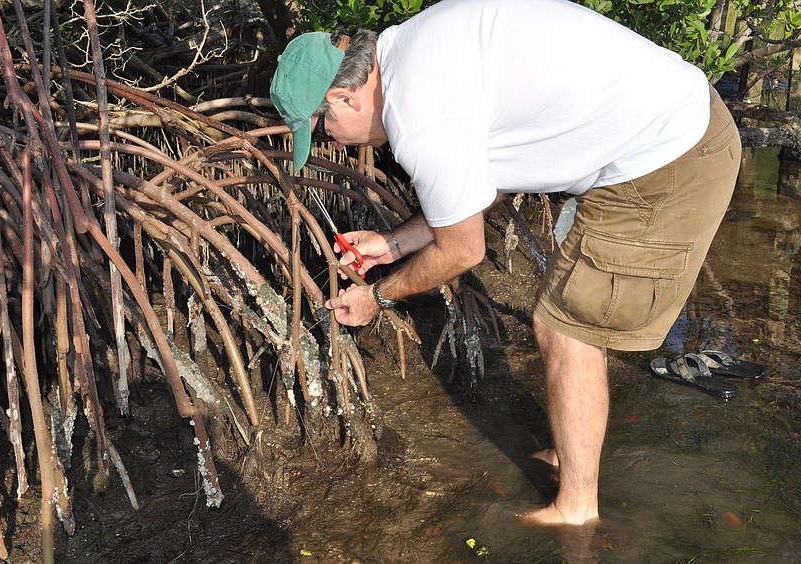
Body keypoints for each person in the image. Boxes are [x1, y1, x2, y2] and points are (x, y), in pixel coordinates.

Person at [269, 0, 740, 526]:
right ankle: (573, 447)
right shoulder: (413, 46)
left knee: (569, 331)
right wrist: (394, 244)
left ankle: (576, 509)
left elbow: (463, 249)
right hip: (663, 134)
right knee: (565, 319)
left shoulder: (417, 114)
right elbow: (477, 188)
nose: (331, 140)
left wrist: (377, 296)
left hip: (665, 160)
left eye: (322, 126)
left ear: (344, 97)